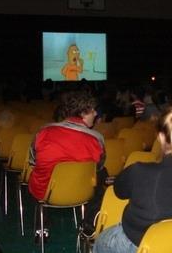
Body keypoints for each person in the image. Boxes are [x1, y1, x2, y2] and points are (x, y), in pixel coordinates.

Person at [93, 106, 172, 253]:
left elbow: (119, 190)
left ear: (160, 137)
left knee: (100, 241)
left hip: (139, 245)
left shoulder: (141, 172)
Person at [28, 90, 106, 239]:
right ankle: (89, 223)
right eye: (93, 110)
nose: (96, 114)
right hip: (82, 191)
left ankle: (42, 227)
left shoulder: (43, 132)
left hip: (46, 193)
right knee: (102, 174)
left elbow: (33, 161)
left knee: (37, 175)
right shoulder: (97, 138)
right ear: (83, 113)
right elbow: (99, 165)